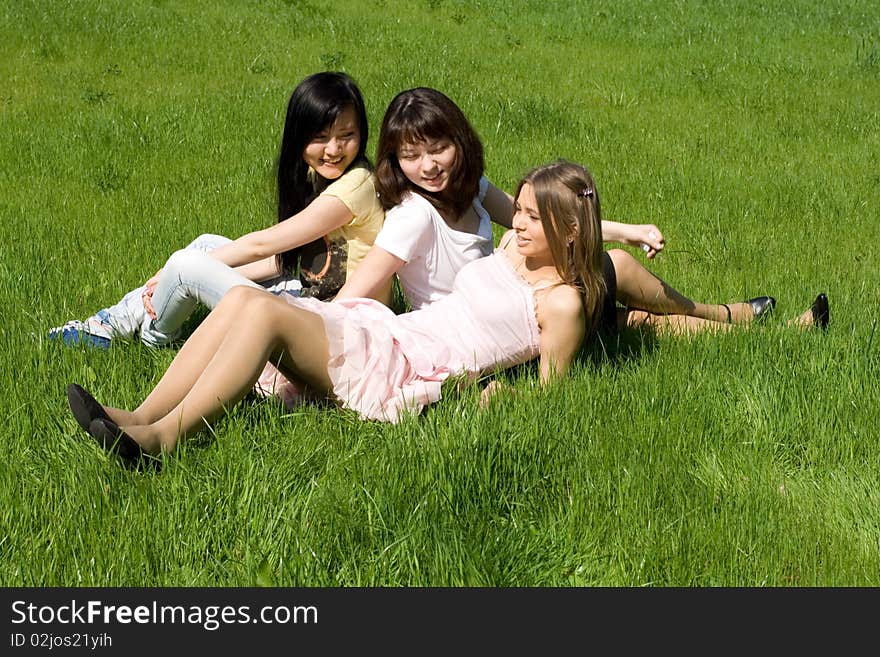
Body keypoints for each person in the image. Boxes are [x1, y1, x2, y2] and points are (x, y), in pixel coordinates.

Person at [66, 160, 611, 465]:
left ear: (566, 230)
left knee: (263, 313)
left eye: (533, 218)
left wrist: (503, 397)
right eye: (517, 210)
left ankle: (164, 441)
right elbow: (581, 225)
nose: (516, 224)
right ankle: (138, 418)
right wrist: (626, 230)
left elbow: (551, 393)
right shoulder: (521, 247)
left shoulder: (560, 302)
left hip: (409, 368)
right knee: (239, 298)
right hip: (394, 332)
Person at [49, 71, 389, 349]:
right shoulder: (322, 177)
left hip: (330, 328)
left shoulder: (355, 186)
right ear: (298, 136)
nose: (334, 149)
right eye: (321, 137)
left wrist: (177, 272)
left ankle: (154, 338)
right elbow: (282, 259)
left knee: (186, 265)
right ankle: (112, 324)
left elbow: (263, 245)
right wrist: (185, 270)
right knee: (204, 245)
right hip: (307, 302)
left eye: (347, 135)